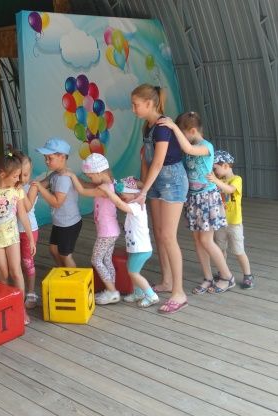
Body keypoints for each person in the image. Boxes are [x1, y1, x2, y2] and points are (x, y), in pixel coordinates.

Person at [159, 112, 235, 294]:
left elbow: (188, 149)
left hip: (207, 198)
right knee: (198, 241)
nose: (181, 138)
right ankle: (208, 278)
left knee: (206, 240)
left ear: (192, 131)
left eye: (183, 133)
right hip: (193, 199)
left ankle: (227, 276)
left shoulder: (206, 146)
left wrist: (173, 127)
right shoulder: (190, 147)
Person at [131, 84, 189, 314]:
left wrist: (143, 191)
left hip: (172, 181)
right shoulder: (147, 127)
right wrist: (142, 183)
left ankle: (179, 292)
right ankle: (166, 281)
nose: (133, 109)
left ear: (149, 103)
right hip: (155, 182)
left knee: (168, 236)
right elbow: (146, 160)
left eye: (135, 105)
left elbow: (158, 162)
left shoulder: (163, 127)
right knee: (158, 232)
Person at [0, 152, 36, 325]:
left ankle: (21, 308)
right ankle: (6, 307)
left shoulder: (17, 191)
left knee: (16, 272)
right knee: (3, 273)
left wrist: (31, 238)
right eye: (15, 176)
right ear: (3, 174)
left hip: (12, 236)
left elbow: (23, 215)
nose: (18, 180)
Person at [98, 177, 159, 307]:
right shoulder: (133, 206)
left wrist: (108, 192)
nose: (121, 196)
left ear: (135, 194)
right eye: (120, 194)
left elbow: (120, 205)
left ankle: (151, 295)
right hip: (135, 248)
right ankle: (138, 293)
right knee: (131, 270)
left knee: (133, 272)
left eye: (123, 193)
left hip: (141, 249)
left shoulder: (137, 206)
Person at [69, 153, 121, 305]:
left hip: (107, 233)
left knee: (96, 260)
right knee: (106, 259)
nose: (90, 179)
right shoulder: (106, 184)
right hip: (111, 231)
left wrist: (72, 176)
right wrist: (73, 176)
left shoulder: (105, 189)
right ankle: (111, 289)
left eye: (91, 176)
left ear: (98, 172)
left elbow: (83, 191)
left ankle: (113, 291)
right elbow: (86, 184)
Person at [31, 138, 82, 268]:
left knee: (65, 255)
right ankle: (63, 273)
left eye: (50, 158)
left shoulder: (64, 178)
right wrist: (28, 186)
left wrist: (40, 187)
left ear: (62, 157)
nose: (46, 161)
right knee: (54, 250)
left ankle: (74, 278)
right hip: (60, 222)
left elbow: (57, 203)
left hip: (69, 223)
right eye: (45, 158)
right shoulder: (55, 174)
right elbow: (41, 185)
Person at [207, 150, 254, 289]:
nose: (214, 172)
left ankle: (248, 275)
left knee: (239, 251)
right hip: (220, 222)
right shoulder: (218, 180)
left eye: (215, 168)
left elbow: (230, 190)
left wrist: (215, 181)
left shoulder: (237, 179)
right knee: (220, 250)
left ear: (226, 166)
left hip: (234, 223)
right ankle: (223, 272)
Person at [13, 151, 40, 309]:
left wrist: (21, 188)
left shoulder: (32, 187)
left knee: (27, 262)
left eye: (26, 174)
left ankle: (31, 292)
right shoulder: (11, 187)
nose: (23, 179)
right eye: (20, 175)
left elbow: (28, 207)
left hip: (29, 230)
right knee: (16, 263)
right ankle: (19, 290)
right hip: (12, 231)